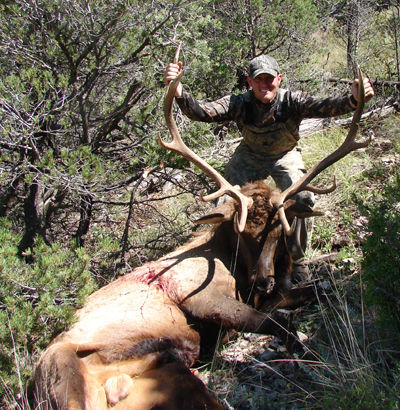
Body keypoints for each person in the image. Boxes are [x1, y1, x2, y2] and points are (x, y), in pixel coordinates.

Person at [164, 54, 374, 279]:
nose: (264, 84)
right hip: (249, 156)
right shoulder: (238, 102)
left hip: (285, 155)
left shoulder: (293, 100)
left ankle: (298, 260)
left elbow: (325, 107)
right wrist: (179, 93)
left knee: (302, 199)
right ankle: (226, 255)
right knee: (227, 200)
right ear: (250, 82)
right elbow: (201, 112)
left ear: (279, 79)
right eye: (258, 79)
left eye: (269, 79)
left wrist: (352, 99)